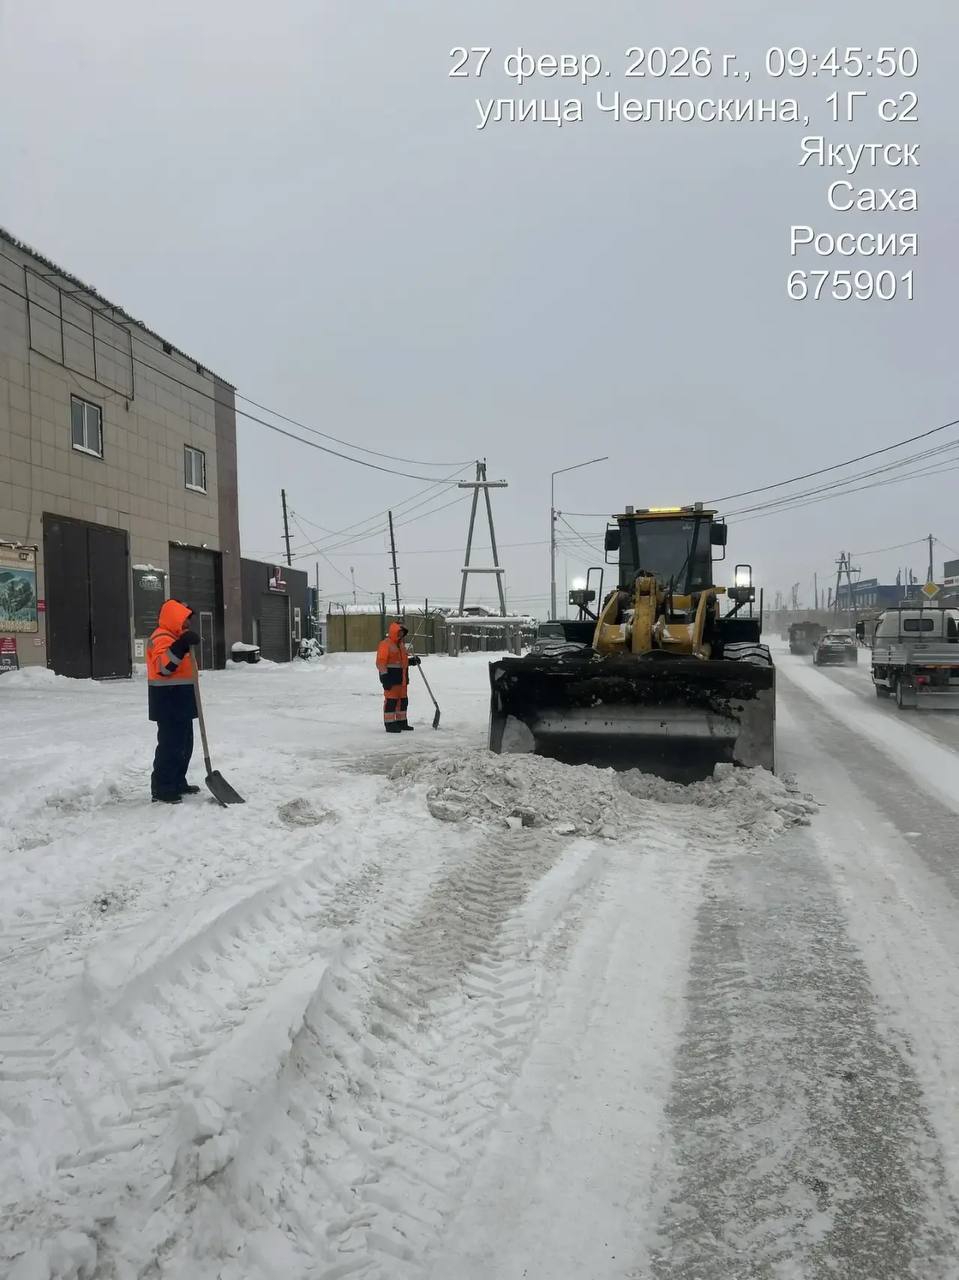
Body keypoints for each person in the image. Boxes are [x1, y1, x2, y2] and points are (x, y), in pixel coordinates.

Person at [147, 598, 201, 802]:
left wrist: (183, 643)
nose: (188, 623)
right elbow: (164, 667)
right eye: (185, 619)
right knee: (170, 746)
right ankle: (163, 788)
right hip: (168, 699)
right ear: (175, 618)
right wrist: (181, 645)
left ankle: (178, 781)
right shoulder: (162, 637)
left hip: (181, 697)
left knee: (184, 744)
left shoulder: (175, 636)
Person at [375, 621, 420, 733]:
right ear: (394, 631)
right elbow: (381, 662)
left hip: (402, 679)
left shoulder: (401, 645)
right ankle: (390, 724)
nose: (401, 634)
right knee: (391, 702)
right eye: (400, 632)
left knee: (403, 702)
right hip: (391, 679)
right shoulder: (385, 644)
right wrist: (384, 677)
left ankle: (401, 722)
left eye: (403, 632)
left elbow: (401, 662)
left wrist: (411, 661)